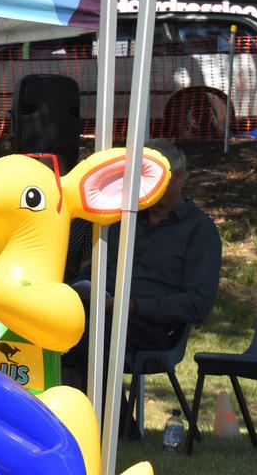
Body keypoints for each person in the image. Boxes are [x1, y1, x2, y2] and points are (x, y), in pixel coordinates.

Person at [64, 139, 222, 396]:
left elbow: (197, 304)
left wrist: (133, 306)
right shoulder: (122, 220)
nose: (143, 186)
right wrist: (87, 274)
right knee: (48, 320)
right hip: (100, 310)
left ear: (178, 177)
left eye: (150, 178)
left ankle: (109, 419)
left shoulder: (199, 230)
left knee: (87, 330)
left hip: (150, 326)